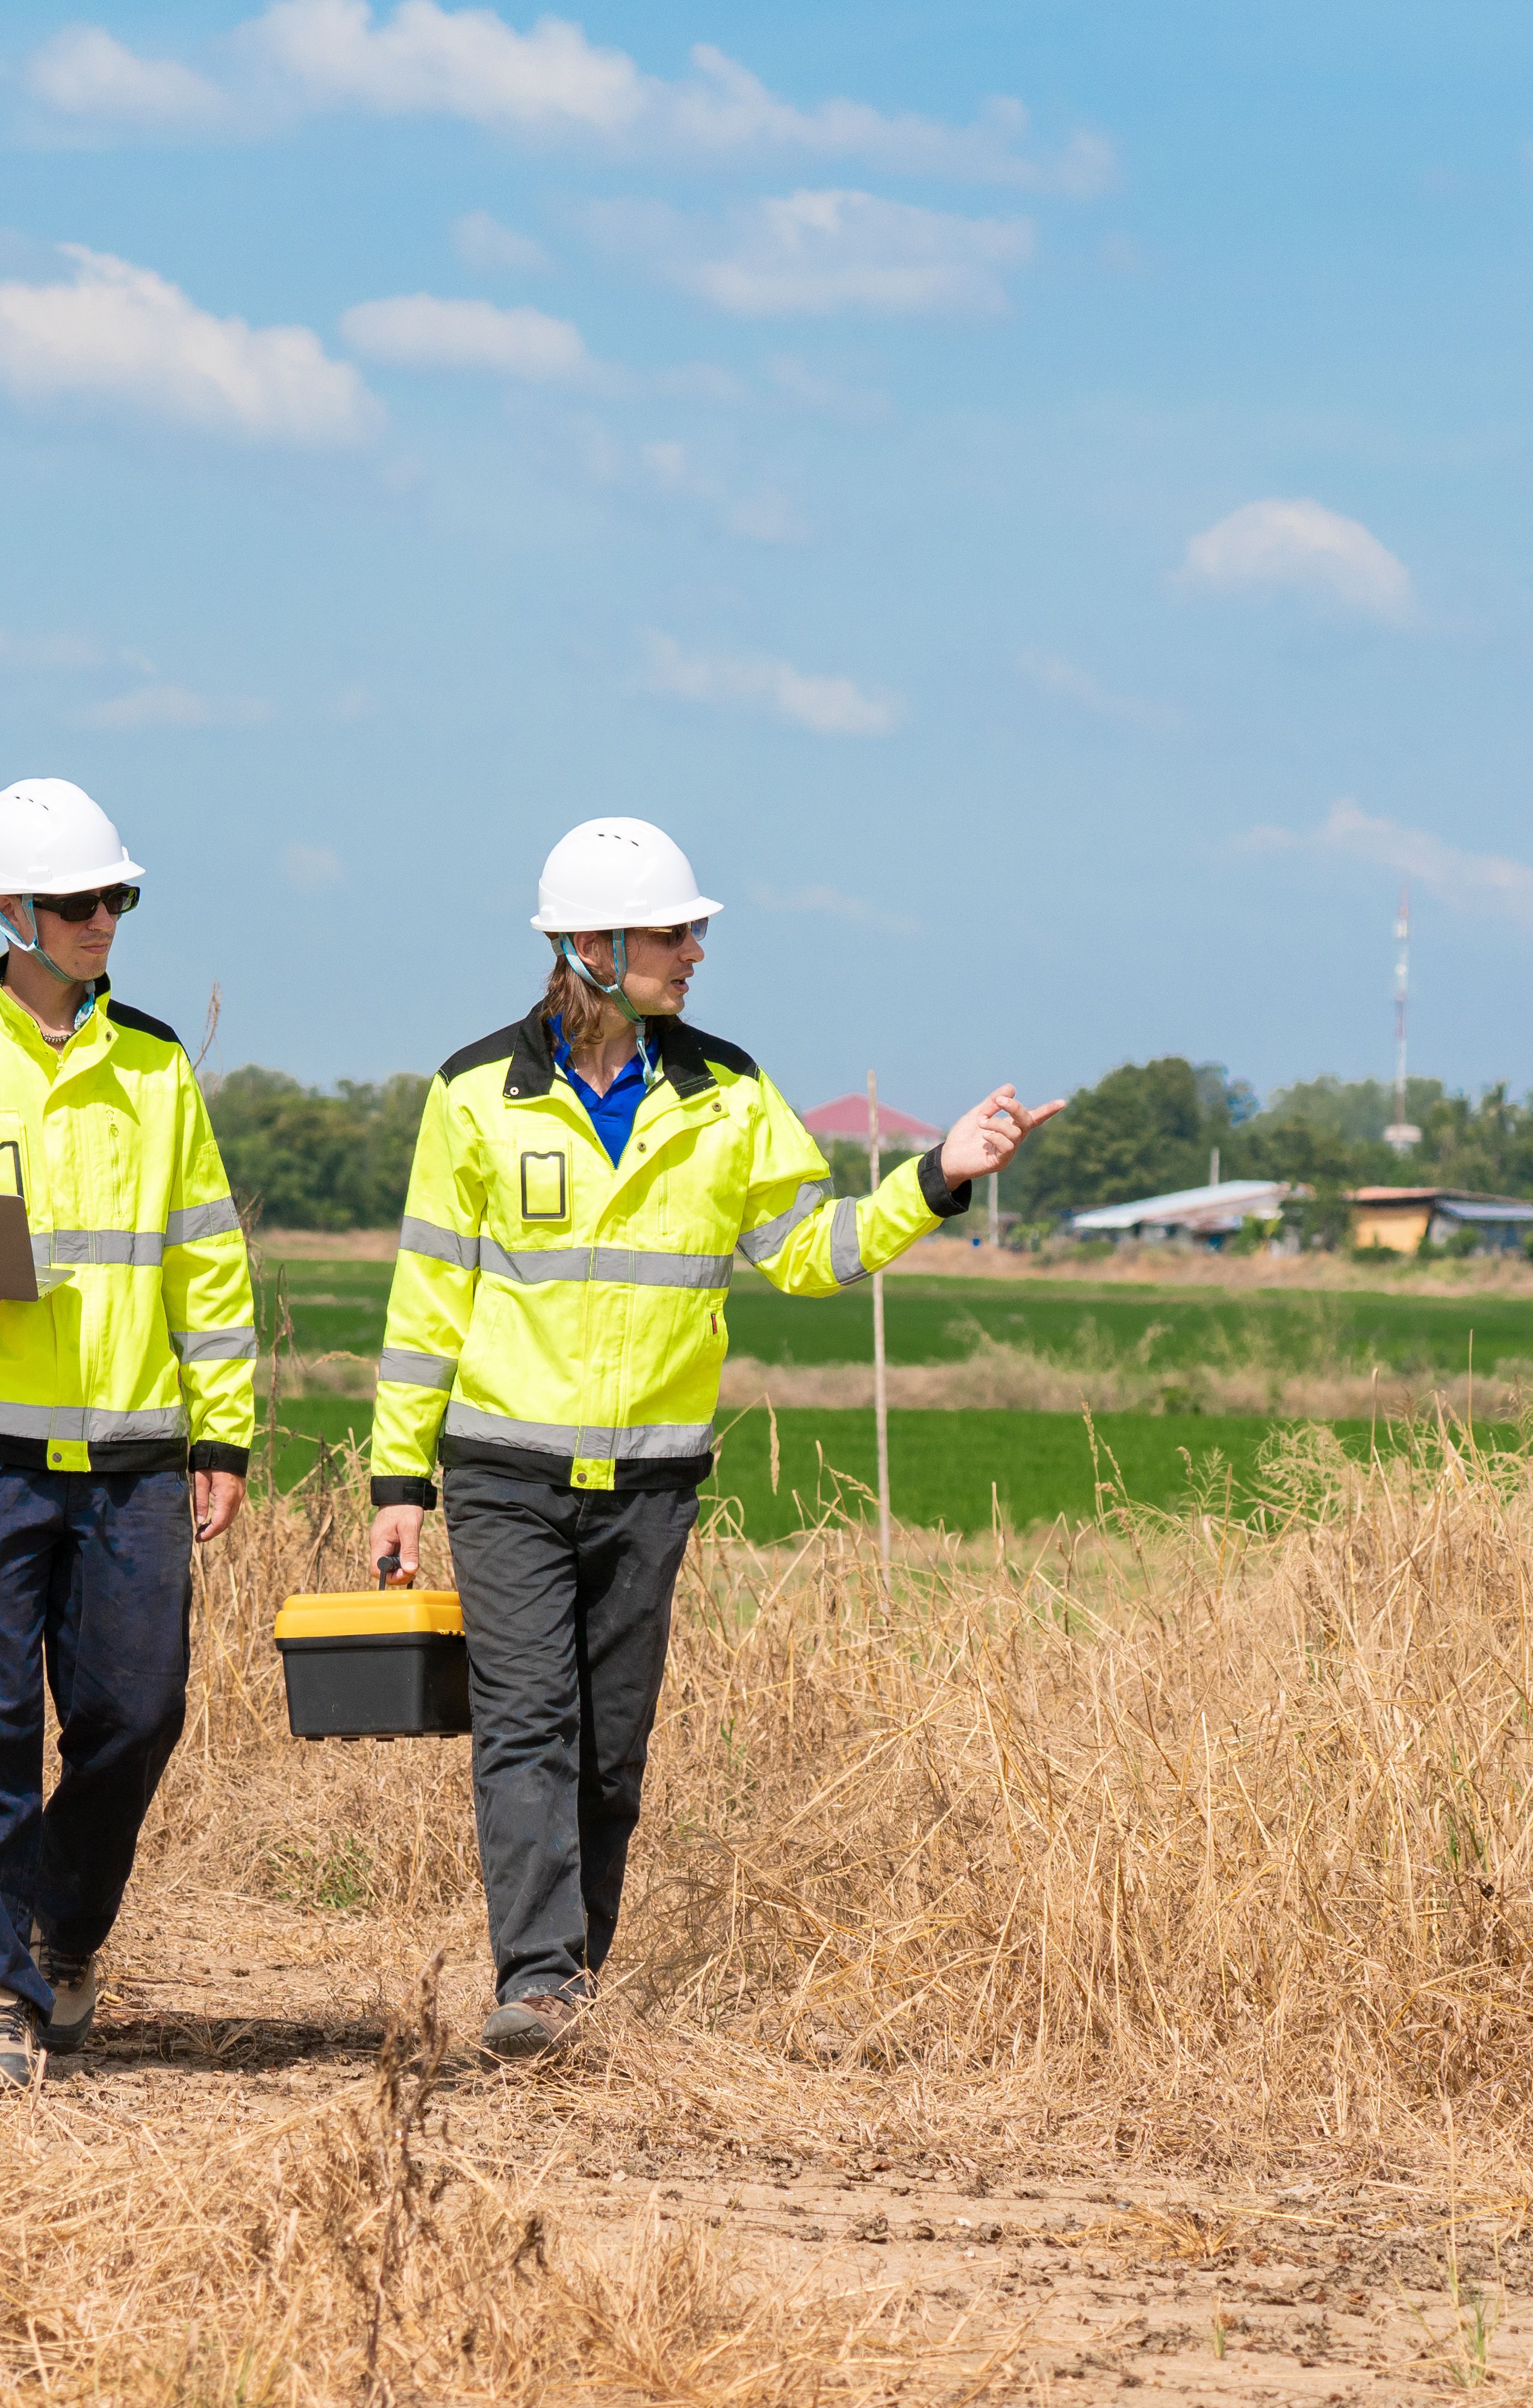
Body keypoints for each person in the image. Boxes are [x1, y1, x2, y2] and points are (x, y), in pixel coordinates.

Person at [364, 817, 1051, 2057]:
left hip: (652, 1482)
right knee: (527, 1724)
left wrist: (937, 1177)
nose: (694, 953)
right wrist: (397, 1477)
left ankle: (574, 1980)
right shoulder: (473, 1094)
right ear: (592, 944)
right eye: (673, 933)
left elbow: (810, 1252)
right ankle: (536, 1981)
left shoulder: (731, 1092)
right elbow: (427, 1301)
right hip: (506, 1473)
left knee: (610, 1751)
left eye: (692, 932)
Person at [0, 778, 255, 2095]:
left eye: (117, 896)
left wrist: (224, 1438)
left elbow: (207, 1259)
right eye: (79, 900)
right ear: (14, 913)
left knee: (137, 1715)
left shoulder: (157, 1067)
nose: (103, 919)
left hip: (130, 1456)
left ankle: (61, 1932)